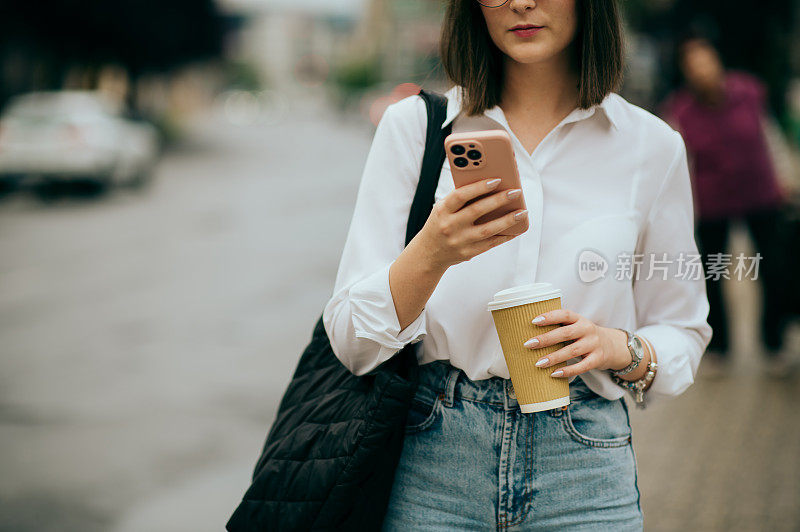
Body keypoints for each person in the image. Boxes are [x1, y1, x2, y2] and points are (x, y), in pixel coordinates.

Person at [323, 0, 711, 529]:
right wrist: (433, 251)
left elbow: (683, 330)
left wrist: (616, 346)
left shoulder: (651, 146)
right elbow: (351, 342)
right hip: (434, 459)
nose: (520, 2)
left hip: (584, 466)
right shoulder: (417, 128)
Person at [660, 34, 795, 378]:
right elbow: (678, 164)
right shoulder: (680, 110)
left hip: (761, 193)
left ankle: (774, 342)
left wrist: (786, 176)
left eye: (706, 61)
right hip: (713, 201)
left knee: (773, 267)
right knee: (713, 273)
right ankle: (718, 347)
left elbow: (769, 135)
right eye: (694, 66)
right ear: (686, 73)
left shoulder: (749, 91)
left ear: (717, 60)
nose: (702, 70)